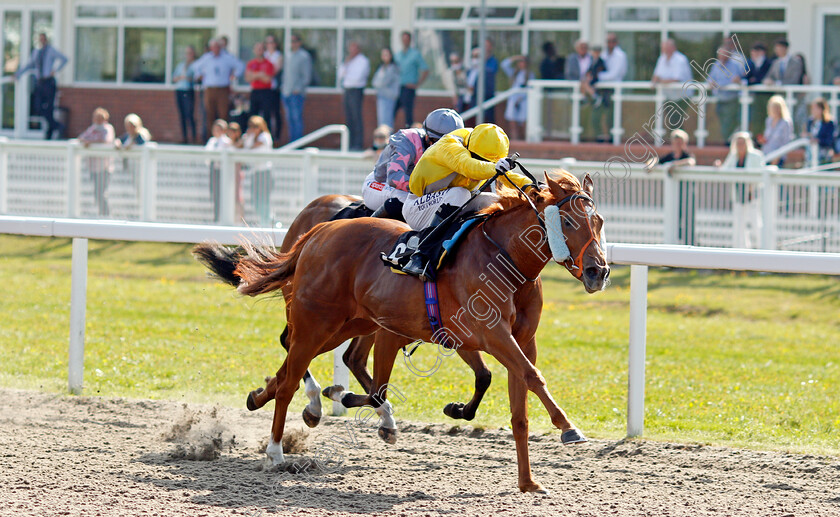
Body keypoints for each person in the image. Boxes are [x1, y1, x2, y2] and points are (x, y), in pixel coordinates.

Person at [401, 123, 534, 277]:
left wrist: (533, 187)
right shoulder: (449, 145)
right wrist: (493, 167)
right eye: (476, 157)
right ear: (468, 147)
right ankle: (421, 255)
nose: (481, 163)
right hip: (417, 207)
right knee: (460, 194)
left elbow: (504, 175)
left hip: (447, 202)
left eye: (488, 162)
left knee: (498, 201)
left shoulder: (478, 143)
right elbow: (468, 166)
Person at [361, 108, 465, 217]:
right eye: (439, 143)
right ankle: (367, 227)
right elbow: (394, 177)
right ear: (427, 136)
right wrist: (426, 189)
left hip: (413, 190)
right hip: (380, 184)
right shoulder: (406, 140)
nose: (444, 149)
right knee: (408, 199)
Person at [716, 132, 765, 249]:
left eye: (742, 143)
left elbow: (761, 174)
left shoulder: (756, 156)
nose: (740, 145)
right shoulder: (734, 156)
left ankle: (760, 246)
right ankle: (743, 248)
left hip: (752, 195)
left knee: (755, 222)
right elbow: (725, 170)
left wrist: (751, 187)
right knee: (739, 223)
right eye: (738, 143)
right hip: (738, 195)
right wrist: (718, 166)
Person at [15, 33, 68, 140]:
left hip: (49, 82)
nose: (42, 41)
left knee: (49, 109)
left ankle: (49, 133)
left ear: (46, 40)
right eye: (40, 39)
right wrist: (18, 74)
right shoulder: (36, 52)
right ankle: (57, 126)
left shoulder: (51, 50)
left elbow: (64, 59)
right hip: (40, 83)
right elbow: (29, 65)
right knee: (37, 107)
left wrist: (55, 70)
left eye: (43, 39)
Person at [191, 38, 245, 140]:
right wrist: (199, 75)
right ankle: (211, 138)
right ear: (211, 48)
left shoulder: (227, 58)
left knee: (223, 113)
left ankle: (225, 138)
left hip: (223, 89)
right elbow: (195, 67)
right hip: (209, 89)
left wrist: (234, 75)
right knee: (209, 114)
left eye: (217, 47)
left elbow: (240, 66)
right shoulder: (207, 58)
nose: (215, 49)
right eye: (213, 47)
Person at [655, 129, 697, 245]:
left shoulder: (687, 155)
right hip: (673, 195)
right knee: (674, 218)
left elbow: (691, 162)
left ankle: (690, 243)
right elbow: (658, 161)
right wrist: (651, 164)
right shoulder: (670, 156)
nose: (678, 145)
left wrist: (675, 165)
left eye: (680, 142)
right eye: (675, 142)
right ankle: (675, 242)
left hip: (687, 193)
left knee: (688, 219)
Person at [78, 107, 115, 217]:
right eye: (97, 118)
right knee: (96, 193)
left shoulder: (107, 129)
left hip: (104, 167)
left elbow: (106, 140)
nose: (99, 121)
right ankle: (101, 213)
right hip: (93, 166)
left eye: (101, 118)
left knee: (101, 193)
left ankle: (106, 215)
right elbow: (81, 138)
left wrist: (91, 142)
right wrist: (86, 141)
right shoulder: (92, 129)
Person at [592, 34, 628, 142]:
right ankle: (600, 137)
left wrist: (598, 76)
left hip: (613, 90)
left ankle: (612, 138)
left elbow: (614, 74)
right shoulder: (604, 55)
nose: (610, 44)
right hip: (602, 90)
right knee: (597, 115)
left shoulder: (620, 56)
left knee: (611, 116)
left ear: (616, 42)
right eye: (608, 41)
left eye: (612, 41)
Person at [651, 39, 694, 129]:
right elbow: (656, 75)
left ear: (673, 48)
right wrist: (655, 81)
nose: (665, 50)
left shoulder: (680, 60)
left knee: (675, 120)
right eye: (663, 48)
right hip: (669, 96)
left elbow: (676, 79)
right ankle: (677, 140)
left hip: (682, 97)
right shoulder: (662, 58)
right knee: (673, 121)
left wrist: (660, 81)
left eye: (666, 48)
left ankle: (679, 141)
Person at [709, 46, 747, 144]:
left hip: (731, 99)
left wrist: (718, 84)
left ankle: (728, 143)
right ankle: (727, 141)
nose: (721, 56)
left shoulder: (734, 66)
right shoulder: (716, 65)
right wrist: (712, 83)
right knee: (722, 121)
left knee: (729, 122)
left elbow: (734, 80)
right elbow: (710, 79)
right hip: (720, 99)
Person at [339, 41, 371, 151]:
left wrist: (347, 76)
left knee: (356, 117)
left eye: (354, 48)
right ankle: (349, 142)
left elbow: (357, 78)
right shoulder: (349, 61)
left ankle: (357, 143)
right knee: (349, 117)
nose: (351, 51)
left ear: (358, 49)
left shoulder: (363, 61)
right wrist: (346, 63)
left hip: (356, 90)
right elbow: (340, 74)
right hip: (347, 90)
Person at [393, 31, 429, 128]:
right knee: (392, 111)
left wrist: (417, 84)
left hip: (409, 88)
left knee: (408, 114)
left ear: (410, 40)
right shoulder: (397, 55)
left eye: (407, 39)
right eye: (403, 39)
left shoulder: (415, 54)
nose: (405, 41)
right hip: (398, 87)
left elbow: (425, 70)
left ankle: (409, 136)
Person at [282, 34, 313, 143]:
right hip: (286, 92)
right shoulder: (288, 55)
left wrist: (298, 89)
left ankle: (298, 143)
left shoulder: (304, 56)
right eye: (291, 41)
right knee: (289, 119)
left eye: (295, 41)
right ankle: (292, 143)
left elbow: (306, 76)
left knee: (297, 119)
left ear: (299, 43)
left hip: (296, 93)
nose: (293, 43)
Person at [243, 116, 274, 227]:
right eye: (251, 126)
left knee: (264, 200)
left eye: (255, 126)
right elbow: (245, 148)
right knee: (255, 200)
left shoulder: (264, 137)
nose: (253, 129)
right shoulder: (250, 138)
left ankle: (268, 221)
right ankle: (264, 220)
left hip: (264, 173)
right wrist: (248, 137)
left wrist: (248, 140)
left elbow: (250, 148)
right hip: (255, 173)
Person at [500, 55, 533, 141]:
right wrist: (515, 58)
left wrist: (521, 98)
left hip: (524, 101)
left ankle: (525, 141)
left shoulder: (530, 74)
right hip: (513, 100)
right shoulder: (514, 73)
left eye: (523, 61)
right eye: (520, 62)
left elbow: (531, 89)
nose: (521, 63)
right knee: (512, 121)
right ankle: (514, 140)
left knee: (524, 122)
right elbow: (504, 65)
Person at [205, 119, 231, 222]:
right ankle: (216, 216)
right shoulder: (212, 141)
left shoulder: (226, 142)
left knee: (222, 194)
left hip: (222, 171)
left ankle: (221, 216)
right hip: (213, 170)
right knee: (214, 194)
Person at [246, 42, 275, 130]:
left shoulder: (269, 64)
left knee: (267, 115)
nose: (259, 51)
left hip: (266, 92)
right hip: (255, 91)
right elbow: (248, 78)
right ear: (254, 51)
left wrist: (254, 75)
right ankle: (252, 135)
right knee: (253, 115)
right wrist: (260, 74)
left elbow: (267, 79)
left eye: (261, 49)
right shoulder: (251, 64)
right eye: (257, 49)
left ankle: (267, 135)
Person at [757, 95, 793, 167]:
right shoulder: (769, 120)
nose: (774, 110)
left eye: (777, 107)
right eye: (773, 107)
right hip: (766, 154)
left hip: (778, 157)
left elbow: (786, 142)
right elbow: (768, 137)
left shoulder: (785, 122)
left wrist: (778, 156)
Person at [172, 45, 197, 144]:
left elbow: (195, 78)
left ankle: (193, 137)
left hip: (188, 90)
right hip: (180, 90)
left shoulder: (194, 65)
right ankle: (184, 137)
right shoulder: (181, 65)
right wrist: (181, 77)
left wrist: (187, 78)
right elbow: (174, 78)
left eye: (190, 53)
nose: (188, 55)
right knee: (181, 114)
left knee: (189, 114)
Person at [372, 48, 400, 129]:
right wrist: (378, 83)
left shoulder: (393, 68)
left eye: (386, 55)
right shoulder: (381, 67)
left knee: (387, 121)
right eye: (383, 55)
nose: (385, 57)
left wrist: (378, 83)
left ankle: (387, 140)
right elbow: (374, 82)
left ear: (391, 56)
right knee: (381, 121)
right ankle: (382, 140)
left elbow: (384, 82)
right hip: (381, 96)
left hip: (389, 98)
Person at [802, 98, 835, 165]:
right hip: (810, 154)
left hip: (823, 155)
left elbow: (830, 140)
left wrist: (817, 140)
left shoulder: (829, 123)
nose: (813, 111)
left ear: (821, 109)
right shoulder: (810, 122)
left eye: (815, 108)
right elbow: (806, 134)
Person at [264, 34, 284, 143]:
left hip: (273, 88)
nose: (269, 45)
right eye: (268, 43)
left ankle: (276, 136)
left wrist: (263, 75)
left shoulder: (278, 56)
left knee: (275, 112)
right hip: (263, 88)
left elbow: (274, 71)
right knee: (265, 113)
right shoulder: (264, 55)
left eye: (271, 42)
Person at [226, 121, 245, 222]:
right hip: (228, 173)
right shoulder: (226, 143)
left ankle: (240, 218)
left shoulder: (241, 144)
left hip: (237, 173)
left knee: (238, 196)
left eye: (234, 131)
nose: (231, 133)